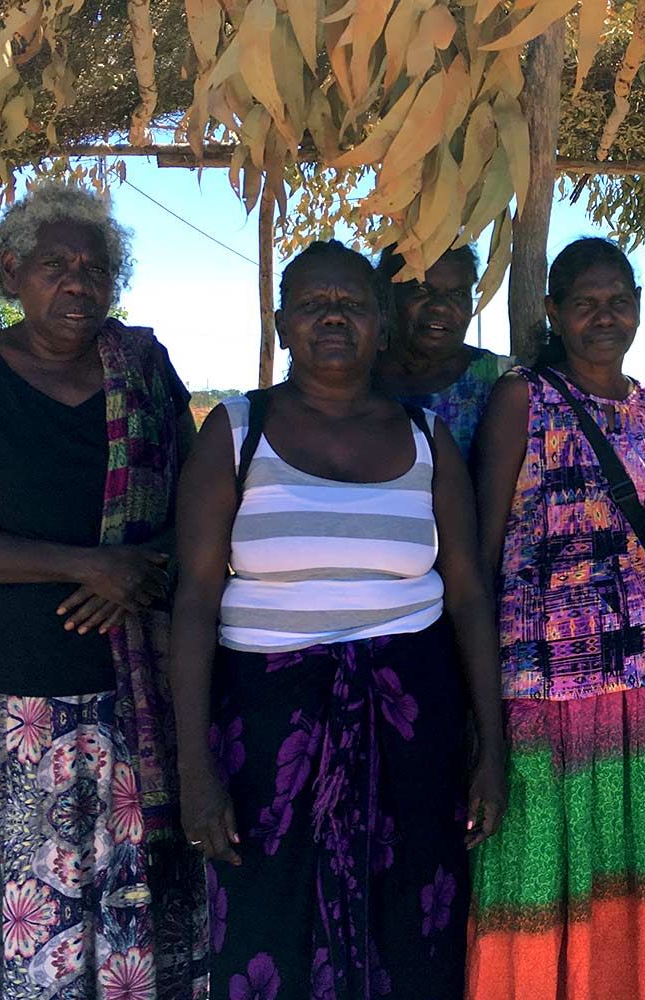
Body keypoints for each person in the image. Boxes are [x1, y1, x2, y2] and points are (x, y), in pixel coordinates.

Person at [168, 239, 506, 1000]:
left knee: (412, 922)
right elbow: (193, 599)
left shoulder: (427, 441)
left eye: (352, 304)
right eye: (314, 303)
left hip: (412, 722)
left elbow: (468, 596)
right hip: (268, 728)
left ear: (381, 327)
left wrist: (491, 745)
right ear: (282, 322)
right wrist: (196, 771)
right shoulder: (235, 431)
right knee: (268, 918)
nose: (332, 317)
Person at [0, 181, 206, 997]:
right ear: (12, 271)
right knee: (28, 915)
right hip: (15, 707)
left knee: (132, 916)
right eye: (55, 265)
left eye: (97, 268)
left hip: (132, 700)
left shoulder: (144, 369)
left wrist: (135, 573)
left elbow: (195, 506)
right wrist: (86, 566)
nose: (79, 282)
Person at [467, 237, 645, 1000]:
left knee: (640, 867)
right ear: (554, 313)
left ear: (639, 303)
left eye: (618, 300)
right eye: (585, 303)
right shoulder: (521, 399)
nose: (605, 317)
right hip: (543, 688)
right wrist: (479, 710)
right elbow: (481, 551)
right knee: (539, 874)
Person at [372, 244, 509, 455]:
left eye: (458, 293)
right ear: (386, 296)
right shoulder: (352, 377)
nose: (440, 306)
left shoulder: (503, 381)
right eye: (421, 289)